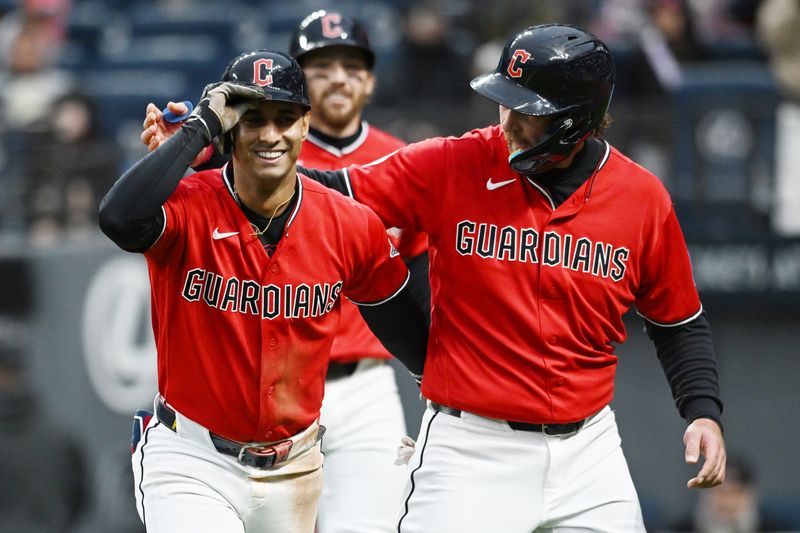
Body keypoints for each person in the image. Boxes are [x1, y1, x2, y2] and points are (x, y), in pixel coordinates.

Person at [298, 23, 727, 532]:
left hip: (589, 452)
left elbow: (678, 320)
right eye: (505, 103)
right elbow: (331, 191)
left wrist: (702, 411)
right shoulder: (456, 162)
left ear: (576, 121)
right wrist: (225, 154)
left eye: (528, 112)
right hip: (472, 449)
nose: (508, 122)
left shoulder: (641, 198)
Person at [98, 49, 428, 533]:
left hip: (294, 466)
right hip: (192, 458)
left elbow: (403, 324)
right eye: (253, 119)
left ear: (304, 125)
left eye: (285, 118)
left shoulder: (347, 223)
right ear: (230, 128)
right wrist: (198, 129)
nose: (271, 135)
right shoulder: (189, 207)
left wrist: (448, 406)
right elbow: (118, 219)